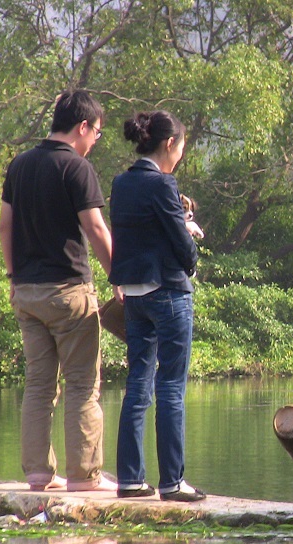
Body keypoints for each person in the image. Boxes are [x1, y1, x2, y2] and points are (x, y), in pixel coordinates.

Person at [0, 89, 117, 492]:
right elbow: (96, 228)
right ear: (82, 126)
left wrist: (14, 278)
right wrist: (118, 277)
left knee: (38, 385)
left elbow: (5, 226)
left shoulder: (19, 165)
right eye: (97, 133)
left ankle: (37, 473)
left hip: (27, 293)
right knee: (83, 385)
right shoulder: (76, 168)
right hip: (68, 291)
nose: (95, 141)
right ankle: (84, 476)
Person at [109, 110, 206, 502]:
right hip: (168, 291)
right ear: (169, 144)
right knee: (170, 387)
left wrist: (178, 224)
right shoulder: (162, 184)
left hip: (134, 294)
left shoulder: (122, 182)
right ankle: (172, 482)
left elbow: (139, 234)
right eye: (181, 147)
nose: (180, 155)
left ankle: (130, 480)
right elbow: (182, 248)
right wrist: (192, 246)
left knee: (137, 386)